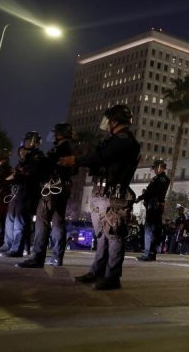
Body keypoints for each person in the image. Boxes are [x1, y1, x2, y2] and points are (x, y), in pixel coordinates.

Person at [60, 104, 140, 290]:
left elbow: (100, 156)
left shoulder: (124, 140)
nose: (107, 123)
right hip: (103, 192)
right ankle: (97, 271)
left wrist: (76, 160)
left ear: (115, 121)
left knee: (113, 235)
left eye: (110, 120)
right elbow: (98, 158)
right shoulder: (115, 140)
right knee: (102, 235)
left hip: (114, 195)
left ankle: (112, 277)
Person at [17, 123, 77, 268]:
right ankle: (57, 257)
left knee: (42, 222)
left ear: (60, 133)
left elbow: (44, 166)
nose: (53, 135)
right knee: (58, 223)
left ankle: (37, 257)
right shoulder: (70, 148)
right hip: (62, 189)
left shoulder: (59, 149)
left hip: (52, 189)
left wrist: (32, 159)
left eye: (55, 132)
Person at [0, 132, 45, 258]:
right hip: (18, 191)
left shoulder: (37, 156)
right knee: (10, 218)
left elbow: (28, 173)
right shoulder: (24, 156)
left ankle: (17, 249)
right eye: (25, 141)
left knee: (20, 221)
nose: (25, 143)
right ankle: (8, 245)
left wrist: (20, 170)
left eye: (28, 141)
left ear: (35, 142)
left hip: (28, 191)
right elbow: (17, 172)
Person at [135, 159, 170, 262]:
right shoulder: (158, 178)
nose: (154, 170)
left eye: (155, 168)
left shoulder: (161, 179)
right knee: (152, 230)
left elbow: (152, 192)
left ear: (159, 167)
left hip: (154, 206)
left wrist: (140, 198)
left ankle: (149, 253)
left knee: (150, 230)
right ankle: (150, 253)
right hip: (153, 206)